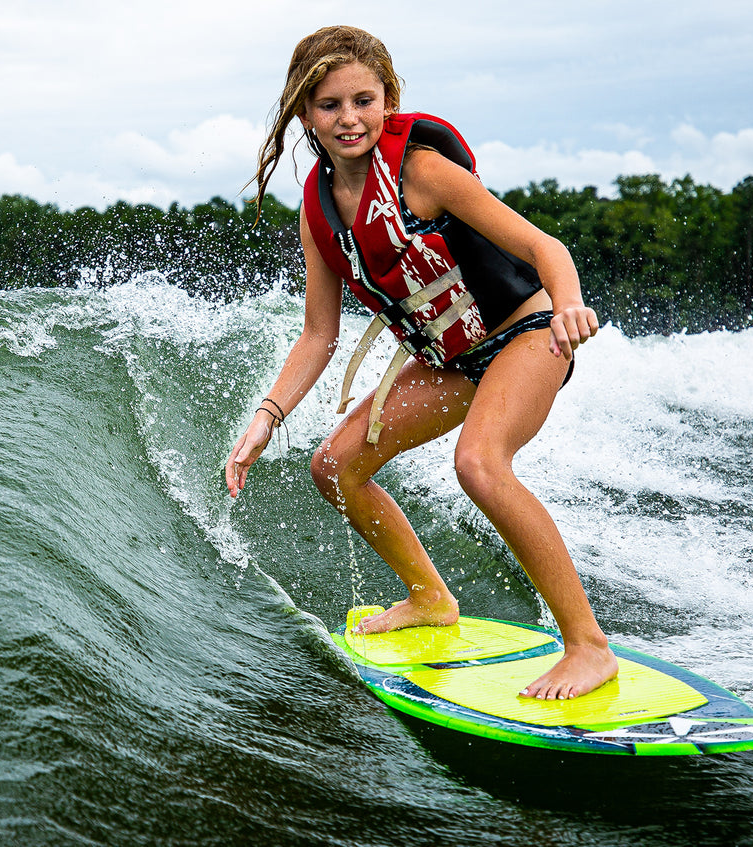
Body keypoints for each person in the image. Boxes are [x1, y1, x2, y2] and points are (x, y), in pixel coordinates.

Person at [222, 25, 616, 701]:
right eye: (330, 105)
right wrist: (266, 417)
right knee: (335, 466)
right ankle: (430, 596)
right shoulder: (319, 215)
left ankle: (588, 646)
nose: (349, 118)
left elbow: (544, 245)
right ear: (303, 112)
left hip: (530, 333)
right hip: (451, 359)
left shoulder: (423, 173)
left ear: (388, 99)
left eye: (364, 100)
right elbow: (317, 335)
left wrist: (573, 305)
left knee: (479, 463)